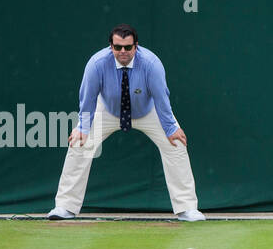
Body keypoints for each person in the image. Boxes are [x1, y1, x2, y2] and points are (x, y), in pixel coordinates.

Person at [48, 24, 205, 221]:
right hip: (107, 110)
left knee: (176, 144)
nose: (123, 51)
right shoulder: (96, 64)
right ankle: (65, 207)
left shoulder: (151, 63)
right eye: (118, 47)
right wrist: (83, 127)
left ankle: (187, 208)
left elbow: (161, 98)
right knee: (79, 143)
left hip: (149, 111)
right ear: (111, 46)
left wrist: (170, 128)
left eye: (128, 47)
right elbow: (87, 98)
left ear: (136, 46)